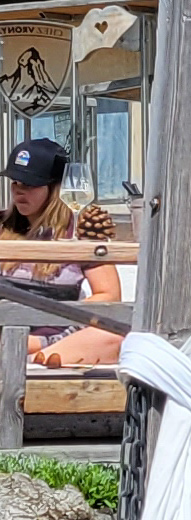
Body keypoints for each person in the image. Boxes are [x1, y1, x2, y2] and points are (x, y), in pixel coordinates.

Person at [1, 136, 124, 368]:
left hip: (58, 335)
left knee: (114, 337)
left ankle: (40, 354)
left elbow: (109, 296)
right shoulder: (2, 226)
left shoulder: (80, 232)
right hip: (5, 331)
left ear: (55, 188)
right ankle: (42, 357)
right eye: (15, 183)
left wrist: (54, 334)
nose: (19, 192)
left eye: (29, 184)